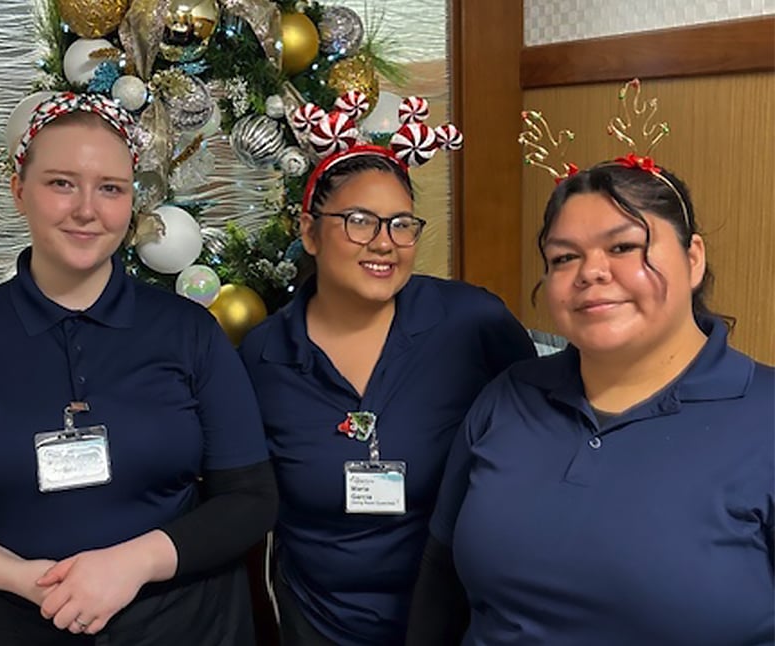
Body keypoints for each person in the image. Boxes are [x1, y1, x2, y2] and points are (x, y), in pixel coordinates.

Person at [0, 92, 278, 645]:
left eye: (111, 188)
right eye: (61, 183)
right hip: (11, 629)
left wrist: (132, 564)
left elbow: (251, 501)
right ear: (19, 190)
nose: (87, 209)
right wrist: (21, 578)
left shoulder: (188, 332)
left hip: (184, 628)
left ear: (132, 202)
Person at [407, 159, 775, 645]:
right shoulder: (508, 397)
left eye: (623, 246)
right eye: (564, 258)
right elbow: (440, 584)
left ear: (692, 259)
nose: (591, 272)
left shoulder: (762, 417)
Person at [238, 143, 536, 645]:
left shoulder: (470, 323)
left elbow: (543, 432)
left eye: (402, 224)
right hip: (318, 621)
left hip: (459, 616)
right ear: (309, 232)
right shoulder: (265, 356)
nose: (384, 242)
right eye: (359, 220)